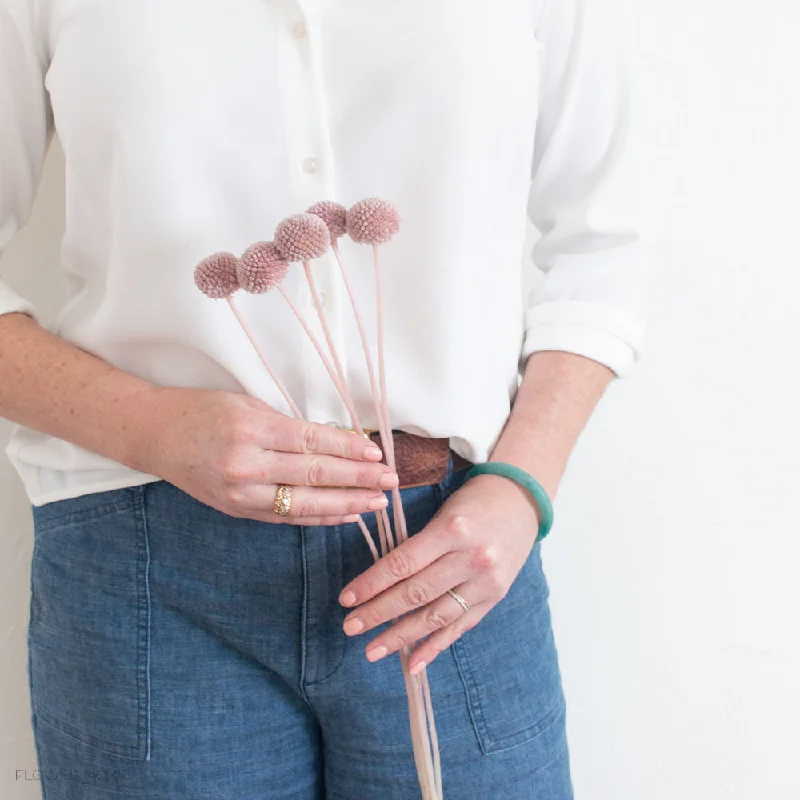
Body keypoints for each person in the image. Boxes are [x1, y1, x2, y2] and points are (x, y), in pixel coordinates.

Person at [0, 0, 650, 798]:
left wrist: (524, 485)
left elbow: (605, 243)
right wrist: (147, 425)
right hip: (144, 563)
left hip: (458, 550)